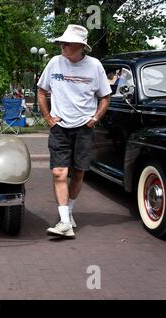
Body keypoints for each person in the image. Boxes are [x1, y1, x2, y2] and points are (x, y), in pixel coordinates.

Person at [37, 24, 111, 238]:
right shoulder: (54, 63)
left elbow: (105, 97)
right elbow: (41, 92)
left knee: (78, 173)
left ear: (80, 46)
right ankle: (64, 222)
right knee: (60, 172)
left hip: (83, 129)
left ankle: (68, 213)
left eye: (66, 43)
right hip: (60, 128)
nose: (62, 46)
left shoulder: (94, 66)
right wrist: (48, 118)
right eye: (61, 42)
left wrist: (95, 118)